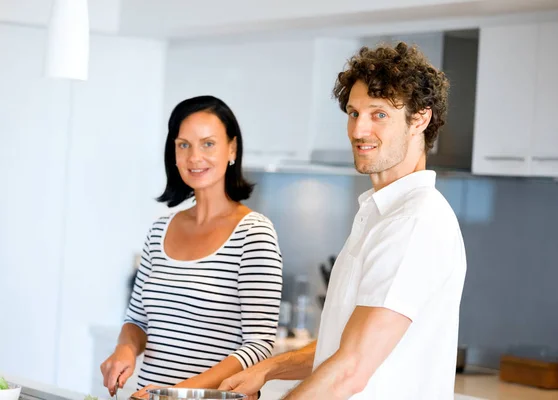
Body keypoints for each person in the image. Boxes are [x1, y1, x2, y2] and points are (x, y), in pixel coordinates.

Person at [219, 42, 467, 399]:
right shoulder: (381, 215)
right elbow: (342, 344)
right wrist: (270, 368)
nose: (358, 130)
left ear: (420, 119)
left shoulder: (415, 221)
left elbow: (350, 369)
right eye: (353, 113)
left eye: (379, 114)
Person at [100, 95, 283, 397]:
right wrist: (125, 349)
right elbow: (136, 319)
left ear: (232, 148)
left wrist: (174, 394)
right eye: (183, 144)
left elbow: (259, 345)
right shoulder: (161, 228)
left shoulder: (254, 233)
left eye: (208, 144)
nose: (194, 157)